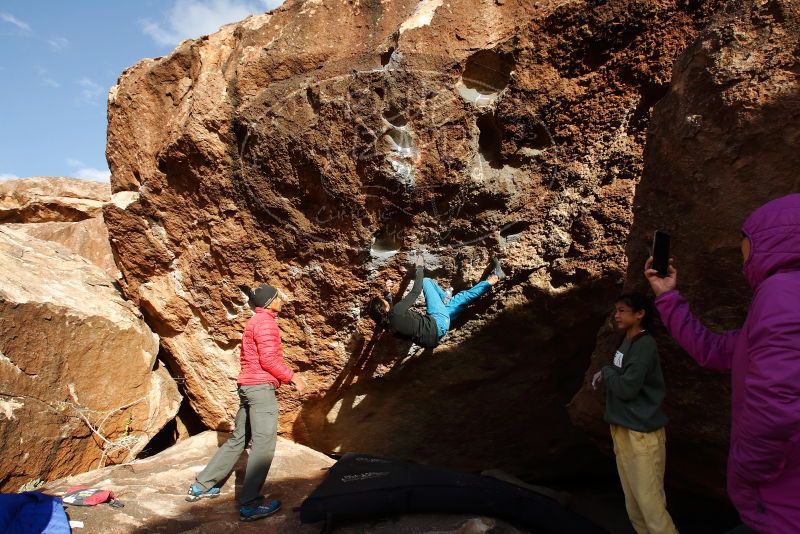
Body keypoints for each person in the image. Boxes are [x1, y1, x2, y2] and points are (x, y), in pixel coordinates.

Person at [645, 194, 800, 534]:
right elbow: (715, 350)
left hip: (783, 501)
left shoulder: (782, 293)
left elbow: (776, 403)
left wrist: (749, 468)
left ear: (774, 241)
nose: (743, 257)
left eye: (746, 244)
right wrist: (667, 295)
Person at [185, 283, 307, 522]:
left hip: (247, 386)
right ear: (270, 302)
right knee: (264, 444)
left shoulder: (254, 321)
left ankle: (202, 486)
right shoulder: (266, 324)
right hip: (260, 389)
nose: (281, 300)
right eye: (277, 297)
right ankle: (250, 504)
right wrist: (293, 377)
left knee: (239, 439)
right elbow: (269, 360)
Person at [592, 293, 677, 534]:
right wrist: (608, 372)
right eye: (616, 310)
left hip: (642, 434)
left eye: (622, 311)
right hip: (622, 428)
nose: (616, 315)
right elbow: (620, 373)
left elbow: (627, 388)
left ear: (640, 314)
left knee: (651, 507)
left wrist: (606, 371)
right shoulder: (627, 340)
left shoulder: (645, 344)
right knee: (634, 506)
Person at [367, 255, 505, 348]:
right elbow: (416, 291)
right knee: (426, 281)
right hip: (438, 321)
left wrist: (388, 295)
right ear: (384, 308)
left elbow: (391, 314)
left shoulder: (386, 325)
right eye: (384, 301)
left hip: (436, 336)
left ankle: (495, 277)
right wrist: (420, 267)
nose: (385, 301)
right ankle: (445, 298)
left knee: (461, 299)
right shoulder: (396, 312)